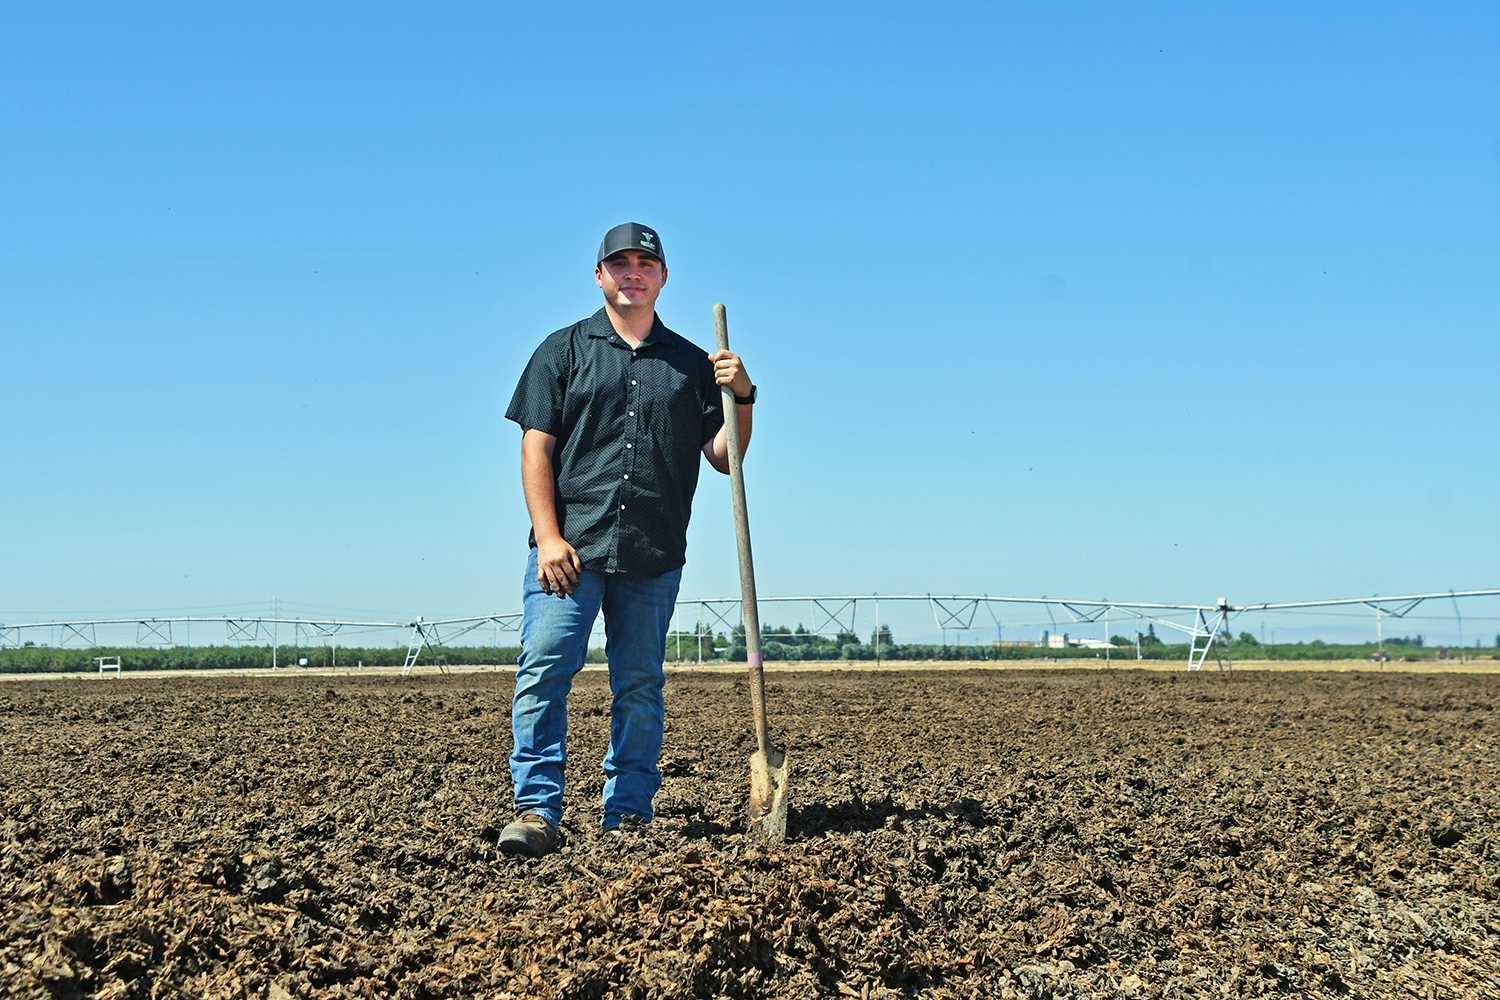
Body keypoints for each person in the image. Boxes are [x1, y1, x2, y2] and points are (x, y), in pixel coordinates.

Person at [498, 222, 756, 857]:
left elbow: (726, 457)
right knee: (544, 673)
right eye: (620, 264)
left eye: (646, 263)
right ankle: (537, 809)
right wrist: (550, 536)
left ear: (663, 278)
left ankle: (628, 814)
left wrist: (742, 396)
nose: (632, 273)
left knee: (639, 683)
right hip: (570, 553)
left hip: (652, 551)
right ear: (599, 275)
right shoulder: (562, 351)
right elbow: (536, 448)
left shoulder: (695, 365)